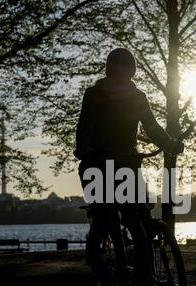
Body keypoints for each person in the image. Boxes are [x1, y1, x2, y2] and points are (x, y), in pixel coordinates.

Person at [74, 48, 184, 274]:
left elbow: (151, 127)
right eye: (120, 66)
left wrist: (170, 143)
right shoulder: (96, 94)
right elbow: (84, 126)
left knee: (137, 217)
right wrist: (84, 149)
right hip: (101, 163)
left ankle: (144, 274)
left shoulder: (136, 97)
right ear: (111, 68)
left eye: (127, 67)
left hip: (121, 164)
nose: (123, 71)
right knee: (105, 213)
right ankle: (98, 262)